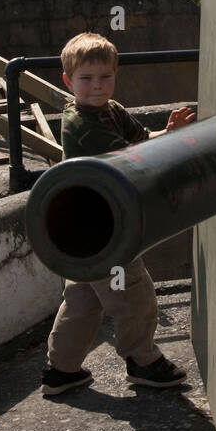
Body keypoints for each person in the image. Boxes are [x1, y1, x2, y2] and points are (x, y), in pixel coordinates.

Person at [39, 32, 196, 397]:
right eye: (87, 79)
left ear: (115, 75)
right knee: (134, 295)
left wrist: (167, 133)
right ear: (68, 81)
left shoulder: (112, 111)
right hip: (99, 231)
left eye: (105, 77)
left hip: (77, 234)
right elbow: (130, 158)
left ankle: (61, 370)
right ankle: (142, 359)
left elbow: (141, 141)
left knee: (83, 302)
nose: (97, 86)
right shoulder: (80, 122)